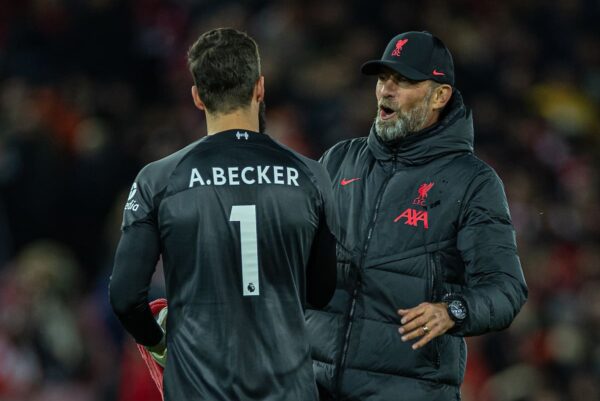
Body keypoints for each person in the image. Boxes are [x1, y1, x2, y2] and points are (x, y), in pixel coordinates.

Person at [109, 28, 338, 401]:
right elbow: (322, 291)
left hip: (199, 389)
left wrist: (159, 343)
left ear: (198, 97)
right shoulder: (312, 176)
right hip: (288, 388)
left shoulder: (159, 179)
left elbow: (124, 297)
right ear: (259, 88)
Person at [306, 31, 528, 401]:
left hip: (409, 390)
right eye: (382, 79)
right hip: (316, 385)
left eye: (404, 81)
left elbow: (506, 289)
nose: (386, 91)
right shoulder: (339, 159)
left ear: (440, 95)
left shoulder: (471, 182)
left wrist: (453, 311)